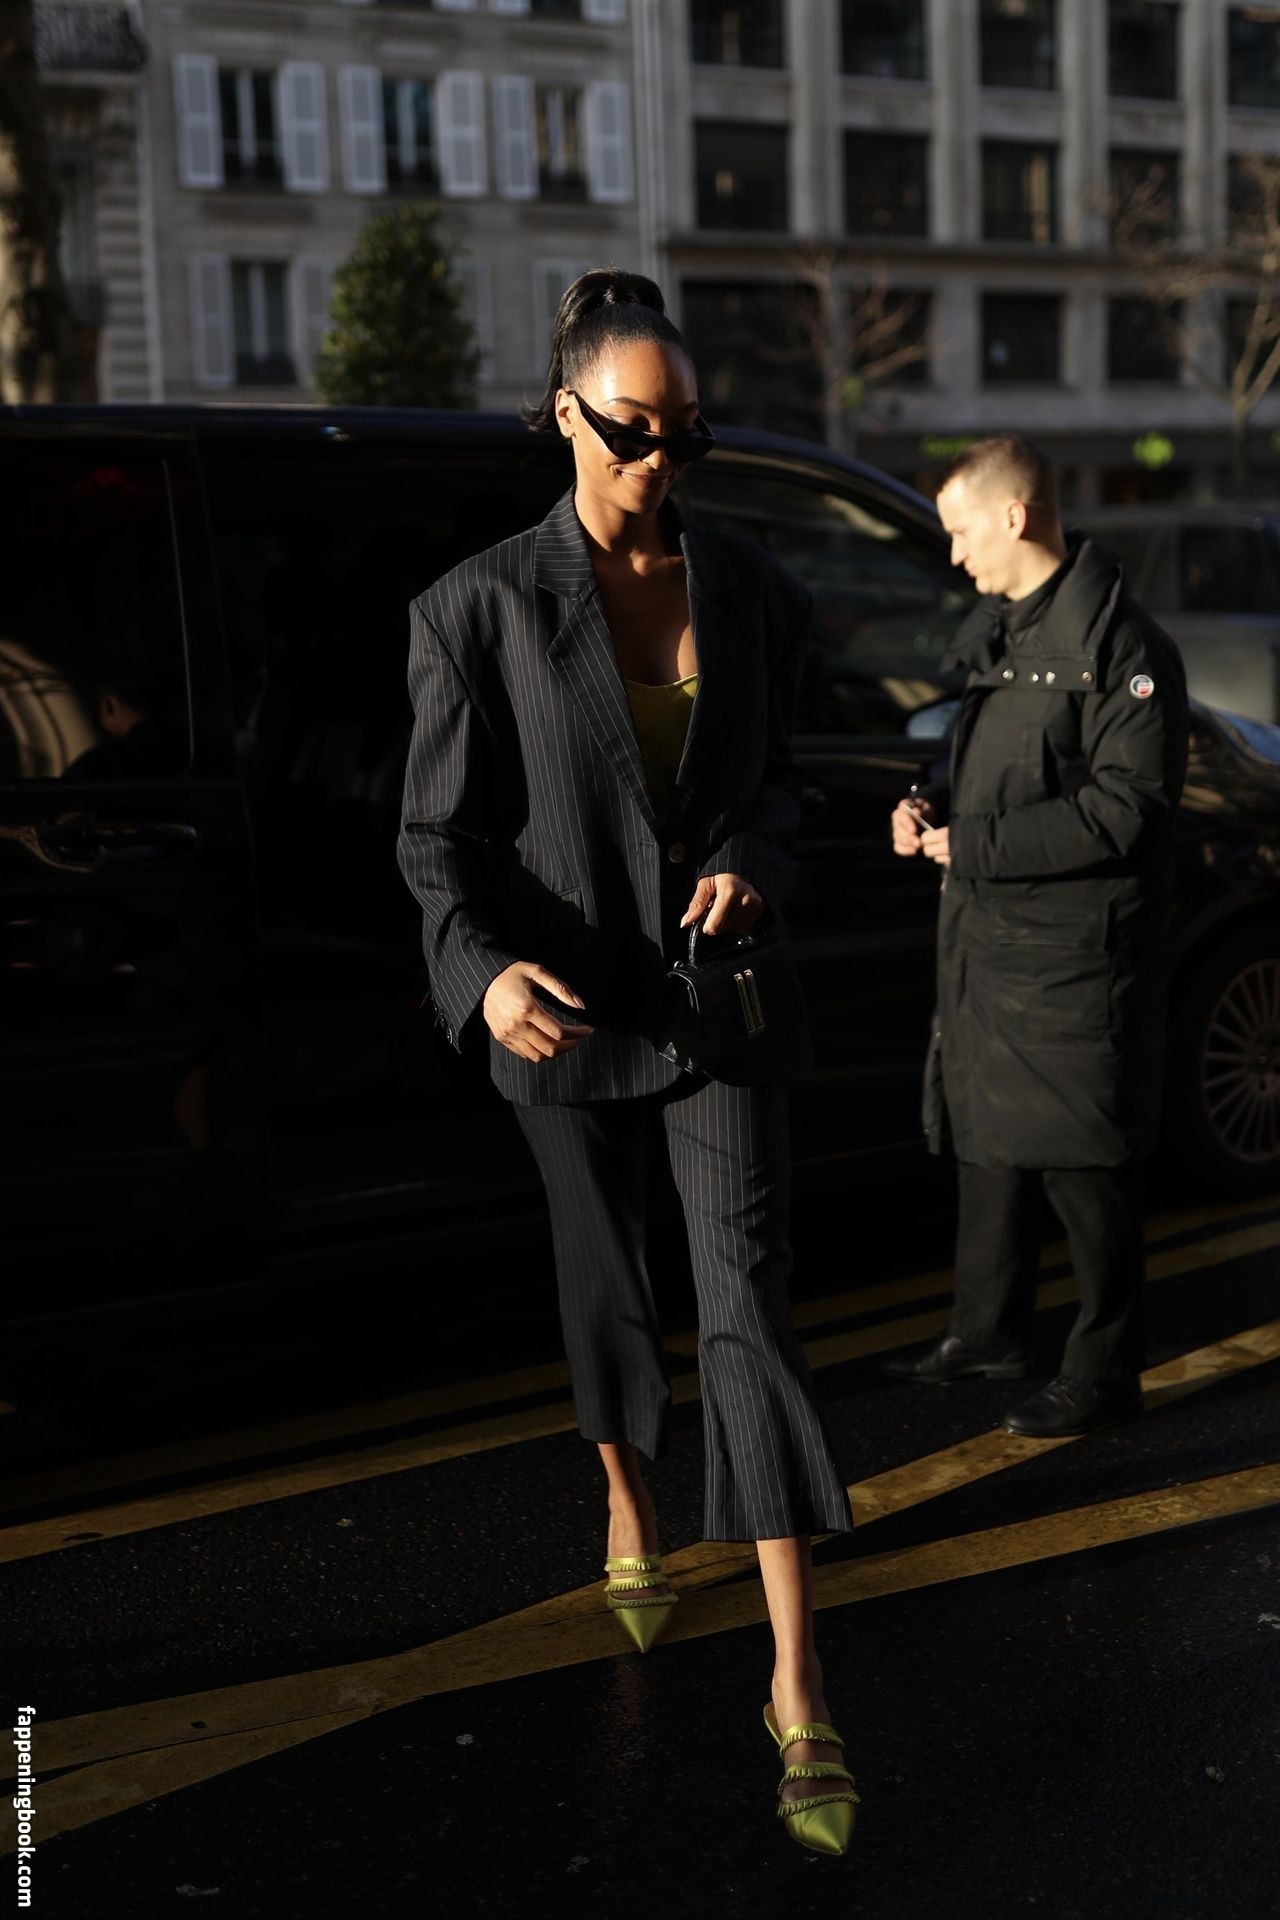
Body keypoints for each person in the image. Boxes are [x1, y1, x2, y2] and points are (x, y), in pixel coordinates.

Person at [396, 267, 858, 1855]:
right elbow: (434, 842)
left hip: (717, 1001)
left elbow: (784, 785)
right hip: (564, 1008)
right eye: (632, 431)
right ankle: (627, 1498)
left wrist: (753, 863)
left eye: (687, 434)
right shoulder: (474, 607)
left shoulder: (749, 588)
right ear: (565, 416)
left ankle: (798, 1678)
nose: (663, 460)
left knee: (750, 1311)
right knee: (605, 1282)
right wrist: (479, 979)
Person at [883, 435, 1189, 1438]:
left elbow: (1125, 811)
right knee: (987, 1147)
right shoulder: (1004, 629)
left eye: (961, 530)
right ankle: (987, 1333)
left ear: (1013, 517)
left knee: (1082, 1167)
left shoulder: (1124, 646)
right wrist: (927, 803)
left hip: (1072, 957)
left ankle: (1104, 1370)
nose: (954, 553)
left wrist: (971, 844)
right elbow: (981, 756)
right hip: (991, 942)